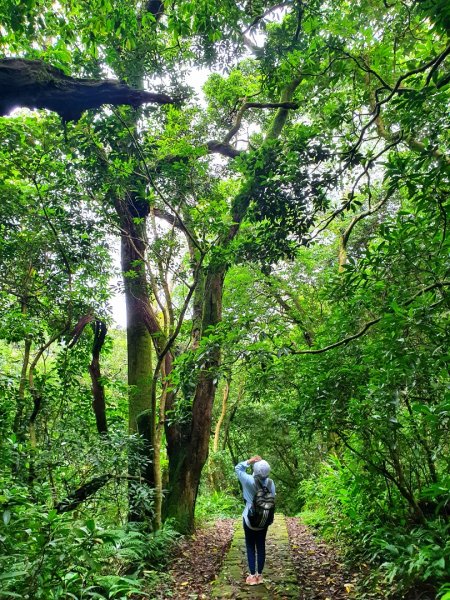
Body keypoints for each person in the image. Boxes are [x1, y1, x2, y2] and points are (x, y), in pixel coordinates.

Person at [235, 455, 275, 586]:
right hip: (264, 521)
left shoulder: (248, 480)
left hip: (249, 520)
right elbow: (272, 499)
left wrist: (249, 461)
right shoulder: (270, 483)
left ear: (255, 470)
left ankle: (252, 576)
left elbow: (238, 468)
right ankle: (260, 575)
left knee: (250, 546)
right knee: (261, 545)